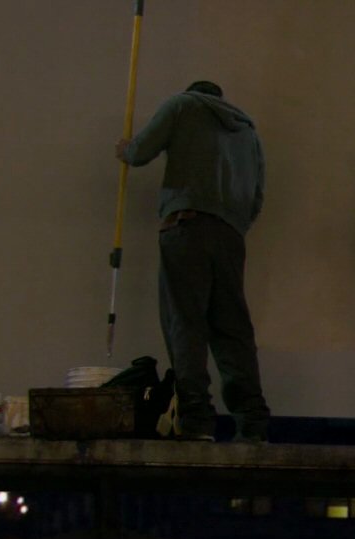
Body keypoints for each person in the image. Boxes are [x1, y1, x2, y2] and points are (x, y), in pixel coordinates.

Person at [115, 81, 270, 443]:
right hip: (231, 235)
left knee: (185, 323)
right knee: (232, 330)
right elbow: (257, 197)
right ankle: (253, 422)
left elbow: (141, 152)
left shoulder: (182, 105)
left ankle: (197, 419)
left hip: (185, 227)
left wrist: (125, 149)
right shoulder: (248, 132)